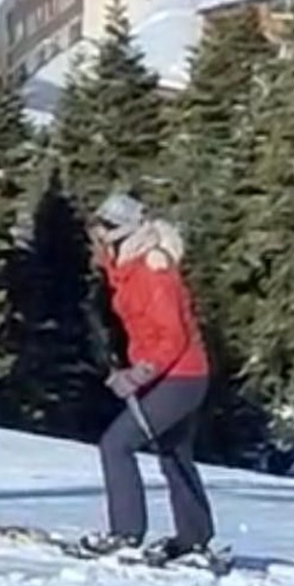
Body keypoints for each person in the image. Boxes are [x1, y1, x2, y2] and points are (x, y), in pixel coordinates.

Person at [81, 192, 216, 564]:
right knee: (173, 451)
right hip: (173, 375)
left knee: (116, 445)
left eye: (102, 231)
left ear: (121, 233)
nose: (96, 239)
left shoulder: (151, 270)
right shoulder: (127, 268)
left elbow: (172, 336)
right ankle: (193, 538)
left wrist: (138, 375)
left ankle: (126, 533)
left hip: (181, 376)